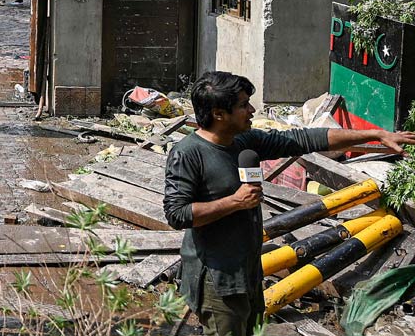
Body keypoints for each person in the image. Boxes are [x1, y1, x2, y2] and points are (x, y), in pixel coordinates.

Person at [163, 72, 415, 336]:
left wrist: (377, 135)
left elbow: (306, 139)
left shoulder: (243, 142)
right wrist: (235, 202)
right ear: (218, 114)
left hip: (248, 272)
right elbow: (177, 214)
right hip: (217, 280)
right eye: (243, 105)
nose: (251, 110)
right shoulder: (188, 153)